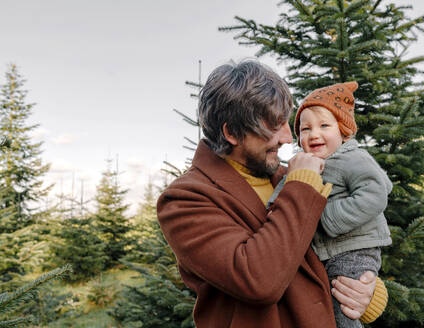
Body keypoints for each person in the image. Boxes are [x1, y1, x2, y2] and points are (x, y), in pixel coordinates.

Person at [157, 60, 388, 328]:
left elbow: (323, 250)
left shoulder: (284, 177)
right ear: (232, 132)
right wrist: (301, 186)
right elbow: (259, 280)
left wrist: (365, 292)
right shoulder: (185, 200)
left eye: (287, 123)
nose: (288, 138)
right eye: (274, 126)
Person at [268, 81, 392, 328]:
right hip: (329, 253)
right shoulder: (302, 162)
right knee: (326, 304)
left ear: (343, 131)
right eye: (305, 129)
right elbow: (287, 187)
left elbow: (377, 191)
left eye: (324, 126)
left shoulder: (352, 158)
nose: (314, 134)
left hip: (355, 249)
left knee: (342, 308)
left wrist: (328, 217)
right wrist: (272, 208)